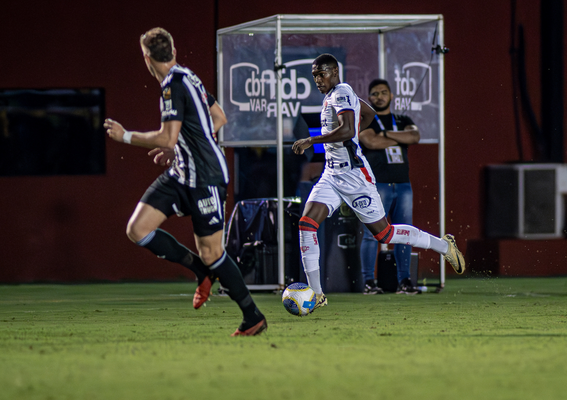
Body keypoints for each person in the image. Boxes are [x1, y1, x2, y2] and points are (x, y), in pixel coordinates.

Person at [103, 27, 266, 336]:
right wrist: (177, 147)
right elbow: (217, 117)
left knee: (213, 253)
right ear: (174, 52)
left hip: (206, 176)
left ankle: (252, 316)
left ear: (146, 58)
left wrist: (125, 135)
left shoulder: (172, 86)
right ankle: (199, 270)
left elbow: (169, 133)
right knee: (137, 229)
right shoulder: (188, 76)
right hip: (181, 173)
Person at [292, 54, 465, 308]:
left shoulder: (341, 92)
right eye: (314, 75)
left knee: (384, 234)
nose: (317, 79)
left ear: (335, 72)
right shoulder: (336, 95)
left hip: (354, 176)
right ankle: (317, 295)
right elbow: (369, 114)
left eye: (322, 73)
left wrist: (311, 140)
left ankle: (443, 246)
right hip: (331, 175)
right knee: (307, 224)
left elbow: (349, 130)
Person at [359, 79, 420, 295]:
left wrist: (384, 135)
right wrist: (398, 138)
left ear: (391, 96)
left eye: (384, 92)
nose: (380, 96)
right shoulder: (366, 120)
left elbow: (414, 136)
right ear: (369, 98)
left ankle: (404, 280)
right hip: (377, 185)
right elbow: (370, 143)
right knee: (371, 234)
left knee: (404, 233)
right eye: (375, 93)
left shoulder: (403, 119)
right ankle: (368, 281)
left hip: (403, 185)